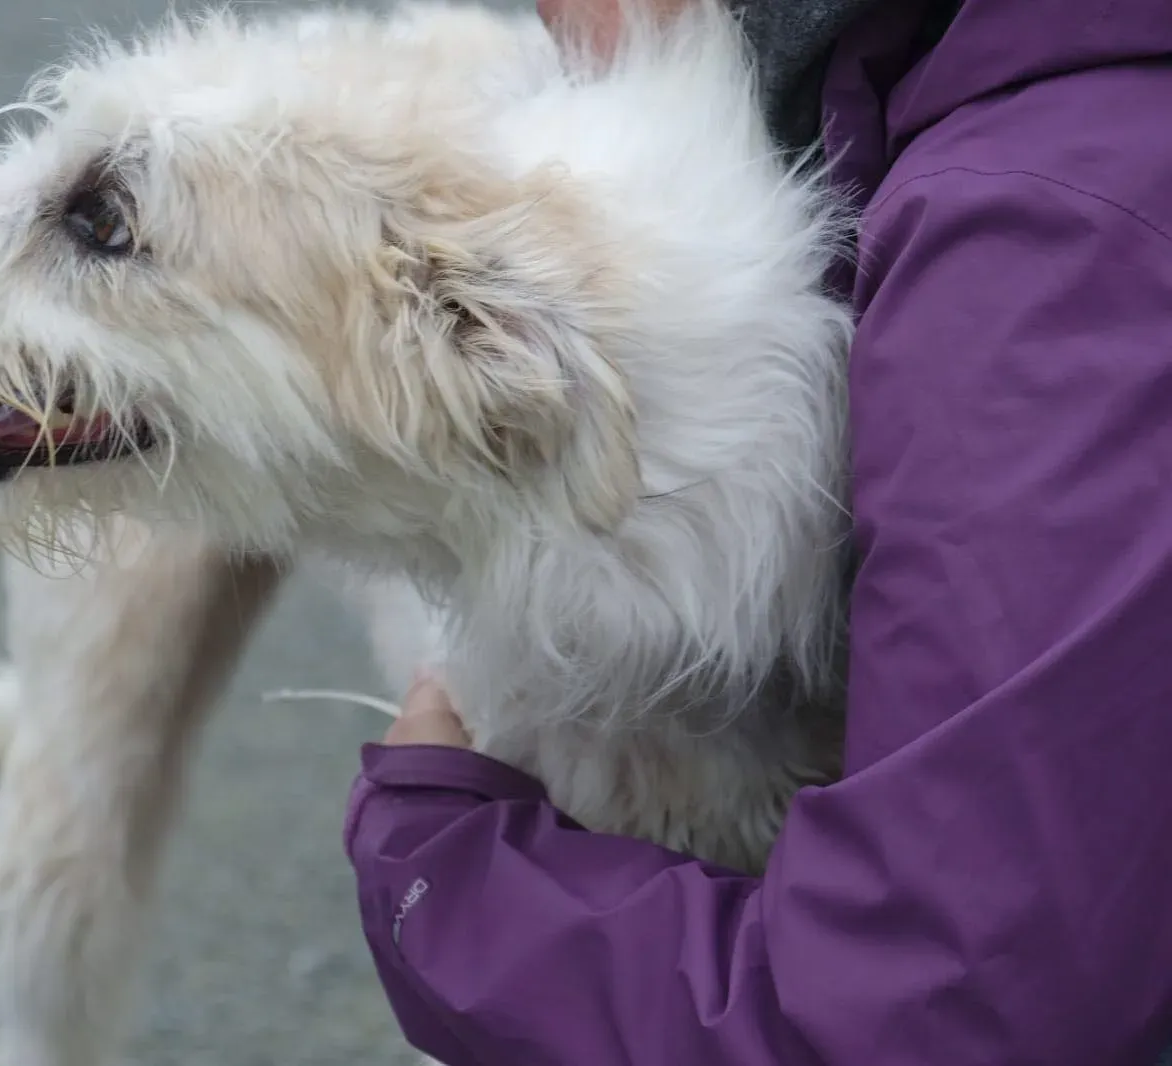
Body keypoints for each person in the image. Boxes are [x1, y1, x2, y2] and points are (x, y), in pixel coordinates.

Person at [342, 0, 1172, 1062]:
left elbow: (948, 1013)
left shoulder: (1036, 248)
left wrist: (442, 876)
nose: (546, 30)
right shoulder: (997, 106)